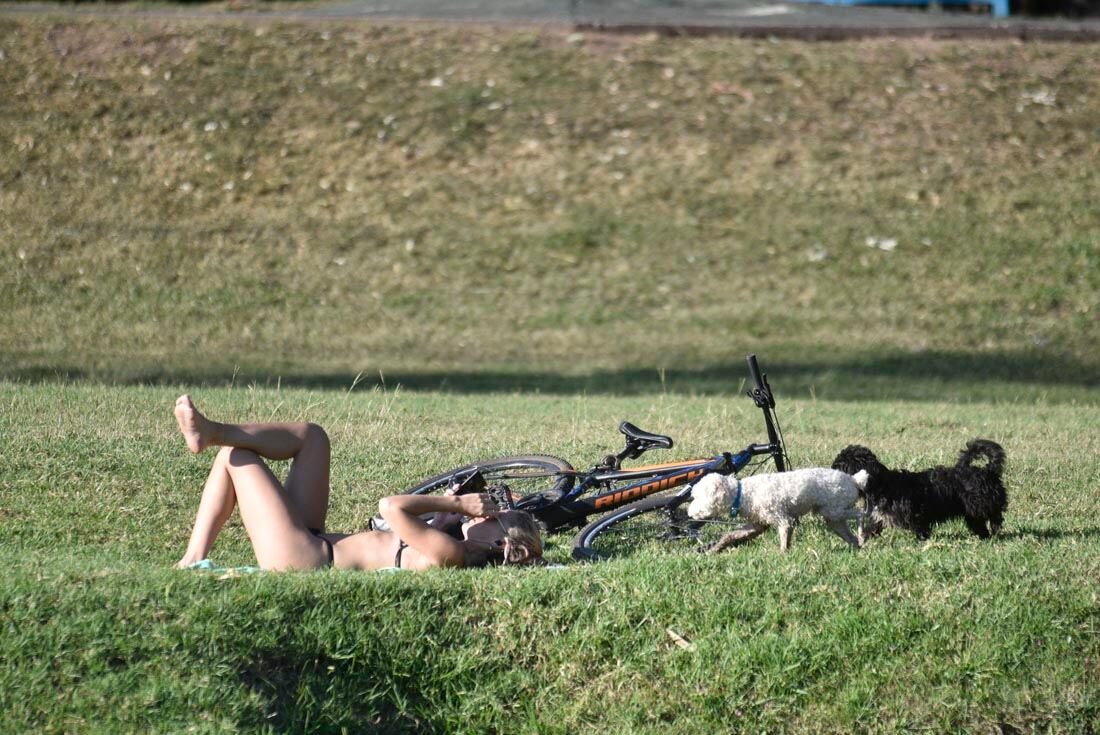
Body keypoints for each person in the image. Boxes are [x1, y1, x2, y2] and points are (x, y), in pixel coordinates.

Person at [172, 395, 544, 571]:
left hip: (304, 559)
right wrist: (449, 510)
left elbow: (390, 507)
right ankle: (212, 431)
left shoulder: (455, 555)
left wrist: (455, 506)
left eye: (493, 517)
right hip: (314, 539)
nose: (483, 515)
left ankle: (192, 559)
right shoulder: (456, 541)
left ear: (501, 542)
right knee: (313, 438)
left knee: (236, 458)